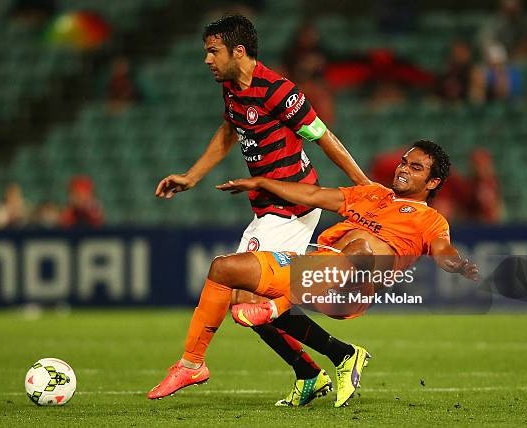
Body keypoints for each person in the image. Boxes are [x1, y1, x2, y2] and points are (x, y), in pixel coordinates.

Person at [148, 140, 479, 408]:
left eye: (415, 167)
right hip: (315, 270)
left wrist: (457, 263)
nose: (404, 169)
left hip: (353, 289)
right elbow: (314, 195)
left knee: (362, 249)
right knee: (225, 270)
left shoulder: (431, 220)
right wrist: (263, 182)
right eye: (404, 162)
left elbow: (442, 249)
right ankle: (197, 364)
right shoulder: (372, 194)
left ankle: (276, 306)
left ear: (433, 183)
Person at [154, 15, 370, 406]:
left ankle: (194, 362)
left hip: (293, 204)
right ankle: (313, 371)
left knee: (236, 285)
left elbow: (323, 137)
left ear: (239, 52)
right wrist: (192, 176)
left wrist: (365, 186)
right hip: (269, 207)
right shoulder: (233, 90)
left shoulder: (277, 89)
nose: (206, 60)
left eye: (212, 51)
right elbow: (229, 130)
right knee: (241, 302)